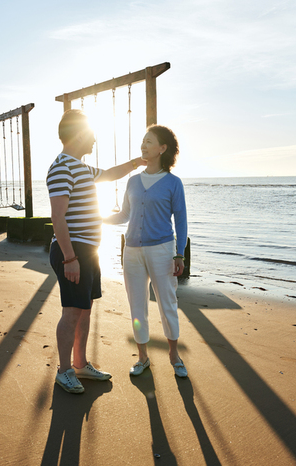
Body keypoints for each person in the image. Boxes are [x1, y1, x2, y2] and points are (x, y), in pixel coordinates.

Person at [47, 109, 146, 394]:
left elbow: (110, 174)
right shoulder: (61, 167)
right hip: (73, 251)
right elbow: (58, 217)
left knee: (85, 309)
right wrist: (70, 258)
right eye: (90, 135)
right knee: (72, 312)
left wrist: (135, 163)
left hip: (87, 251)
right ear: (77, 135)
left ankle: (79, 363)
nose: (94, 140)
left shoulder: (80, 167)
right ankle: (64, 370)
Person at [104, 125, 188, 378]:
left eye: (149, 142)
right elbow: (125, 215)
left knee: (168, 303)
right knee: (137, 305)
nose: (143, 145)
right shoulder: (132, 181)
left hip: (162, 250)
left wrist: (179, 253)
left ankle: (174, 356)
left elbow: (181, 221)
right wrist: (97, 218)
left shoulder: (174, 183)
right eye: (143, 141)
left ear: (162, 148)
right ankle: (142, 358)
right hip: (132, 251)